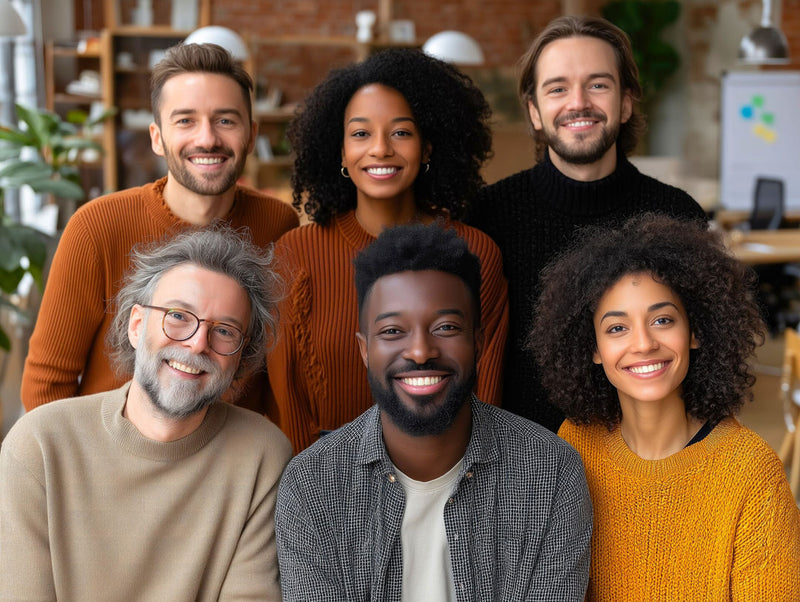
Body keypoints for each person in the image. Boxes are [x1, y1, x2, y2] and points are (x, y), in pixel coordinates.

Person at [275, 224, 591, 601]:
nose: (421, 351)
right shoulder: (312, 485)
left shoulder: (550, 472)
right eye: (393, 331)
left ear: (479, 341)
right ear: (364, 350)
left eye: (445, 327)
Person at [0, 227, 293, 600]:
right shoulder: (39, 444)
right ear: (137, 325)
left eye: (224, 330)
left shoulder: (262, 455)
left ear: (240, 357)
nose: (198, 343)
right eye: (178, 316)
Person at [531, 214, 800, 599]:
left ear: (694, 332)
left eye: (661, 320)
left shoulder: (752, 474)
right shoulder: (575, 444)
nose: (643, 344)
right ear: (592, 348)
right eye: (617, 328)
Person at [21, 42, 298, 413]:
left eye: (226, 120)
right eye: (185, 120)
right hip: (111, 456)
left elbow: (270, 374)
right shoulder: (96, 227)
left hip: (227, 459)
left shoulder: (279, 225)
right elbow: (47, 382)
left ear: (251, 135)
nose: (207, 139)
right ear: (156, 137)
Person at [467, 15, 706, 432]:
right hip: (525, 470)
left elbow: (702, 360)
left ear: (626, 102)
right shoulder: (487, 218)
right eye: (557, 88)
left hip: (646, 467)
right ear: (534, 111)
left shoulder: (678, 215)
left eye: (598, 84)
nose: (578, 102)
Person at [267, 48, 508, 452]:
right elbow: (286, 398)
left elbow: (486, 400)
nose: (380, 149)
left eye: (401, 132)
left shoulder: (475, 252)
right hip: (327, 485)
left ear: (427, 147)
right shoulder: (296, 255)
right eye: (361, 134)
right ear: (340, 151)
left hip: (449, 479)